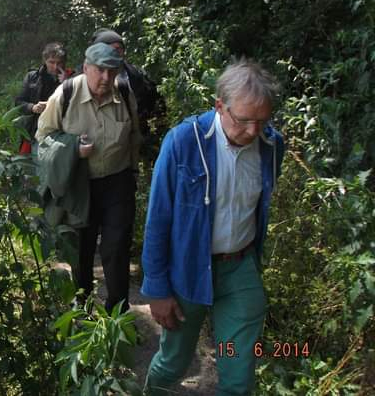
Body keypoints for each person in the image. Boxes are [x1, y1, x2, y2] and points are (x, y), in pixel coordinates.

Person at [140, 59, 284, 395]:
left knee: (238, 373)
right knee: (174, 361)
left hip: (240, 269)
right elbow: (158, 218)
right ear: (220, 106)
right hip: (187, 271)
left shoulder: (271, 146)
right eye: (244, 120)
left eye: (262, 122)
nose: (252, 132)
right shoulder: (183, 142)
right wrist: (157, 289)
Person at [36, 43, 141, 312]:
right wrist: (73, 149)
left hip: (117, 183)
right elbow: (43, 138)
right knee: (81, 249)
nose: (106, 78)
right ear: (86, 68)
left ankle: (117, 314)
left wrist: (133, 173)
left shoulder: (125, 94)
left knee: (116, 248)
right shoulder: (66, 94)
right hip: (80, 185)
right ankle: (83, 304)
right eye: (100, 70)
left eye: (112, 71)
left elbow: (133, 138)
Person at [90, 28, 167, 164]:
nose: (115, 53)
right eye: (110, 49)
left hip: (133, 145)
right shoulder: (82, 78)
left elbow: (156, 106)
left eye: (119, 48)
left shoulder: (137, 76)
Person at [15, 42, 71, 154]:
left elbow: (78, 105)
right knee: (27, 167)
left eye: (59, 63)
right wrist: (33, 107)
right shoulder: (33, 77)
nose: (56, 66)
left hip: (60, 133)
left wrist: (67, 83)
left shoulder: (73, 79)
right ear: (45, 61)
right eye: (52, 62)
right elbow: (18, 103)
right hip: (34, 131)